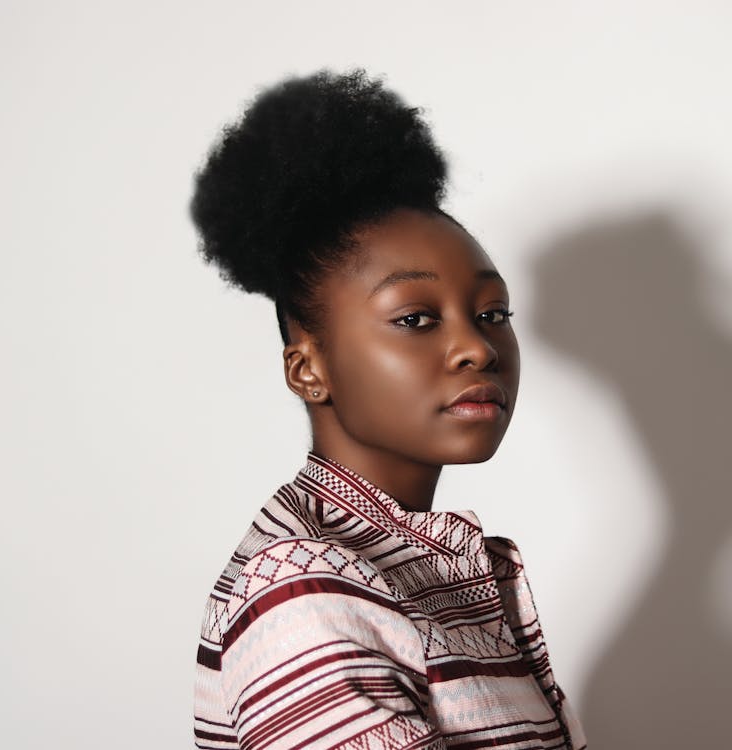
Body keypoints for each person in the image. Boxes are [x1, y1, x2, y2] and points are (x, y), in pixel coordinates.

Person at [189, 67, 587, 750]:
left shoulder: (420, 565)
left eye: (492, 312)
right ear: (308, 368)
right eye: (414, 319)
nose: (477, 348)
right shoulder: (305, 594)